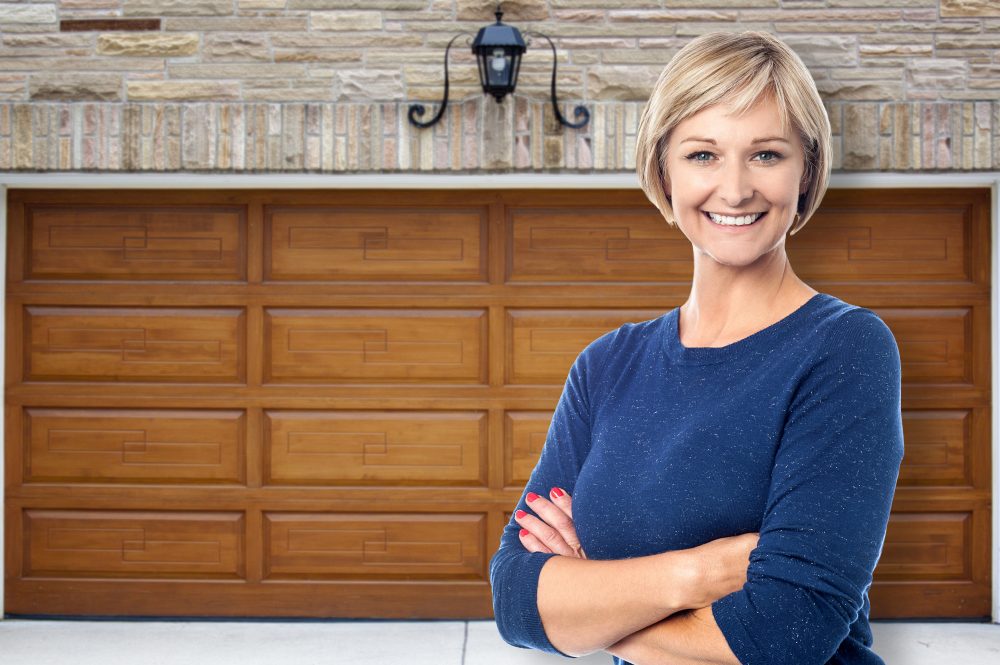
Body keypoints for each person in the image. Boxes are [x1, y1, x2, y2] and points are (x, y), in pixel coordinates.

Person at [488, 30, 904, 665]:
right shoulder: (606, 366)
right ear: (663, 170)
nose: (735, 190)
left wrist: (591, 604)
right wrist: (701, 574)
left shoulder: (845, 349)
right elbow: (515, 600)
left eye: (766, 154)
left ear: (808, 171)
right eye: (703, 155)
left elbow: (787, 633)